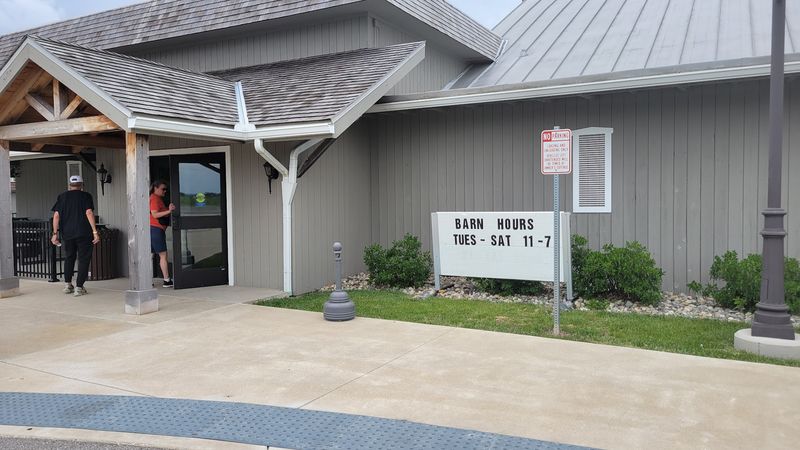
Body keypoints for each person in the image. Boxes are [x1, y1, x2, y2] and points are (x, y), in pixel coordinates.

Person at [50, 175, 100, 297]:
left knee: (69, 257)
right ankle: (79, 287)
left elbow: (56, 216)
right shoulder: (86, 196)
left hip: (67, 233)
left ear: (69, 185)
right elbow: (89, 212)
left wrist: (55, 234)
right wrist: (95, 231)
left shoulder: (62, 197)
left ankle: (68, 285)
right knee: (83, 259)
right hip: (84, 233)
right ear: (82, 184)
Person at [150, 180, 175, 287]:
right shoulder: (154, 198)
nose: (165, 191)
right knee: (163, 255)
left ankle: (147, 280)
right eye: (163, 189)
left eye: (166, 189)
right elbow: (155, 214)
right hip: (155, 229)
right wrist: (169, 211)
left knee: (150, 255)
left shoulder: (155, 198)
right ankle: (166, 280)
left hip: (152, 229)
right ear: (155, 188)